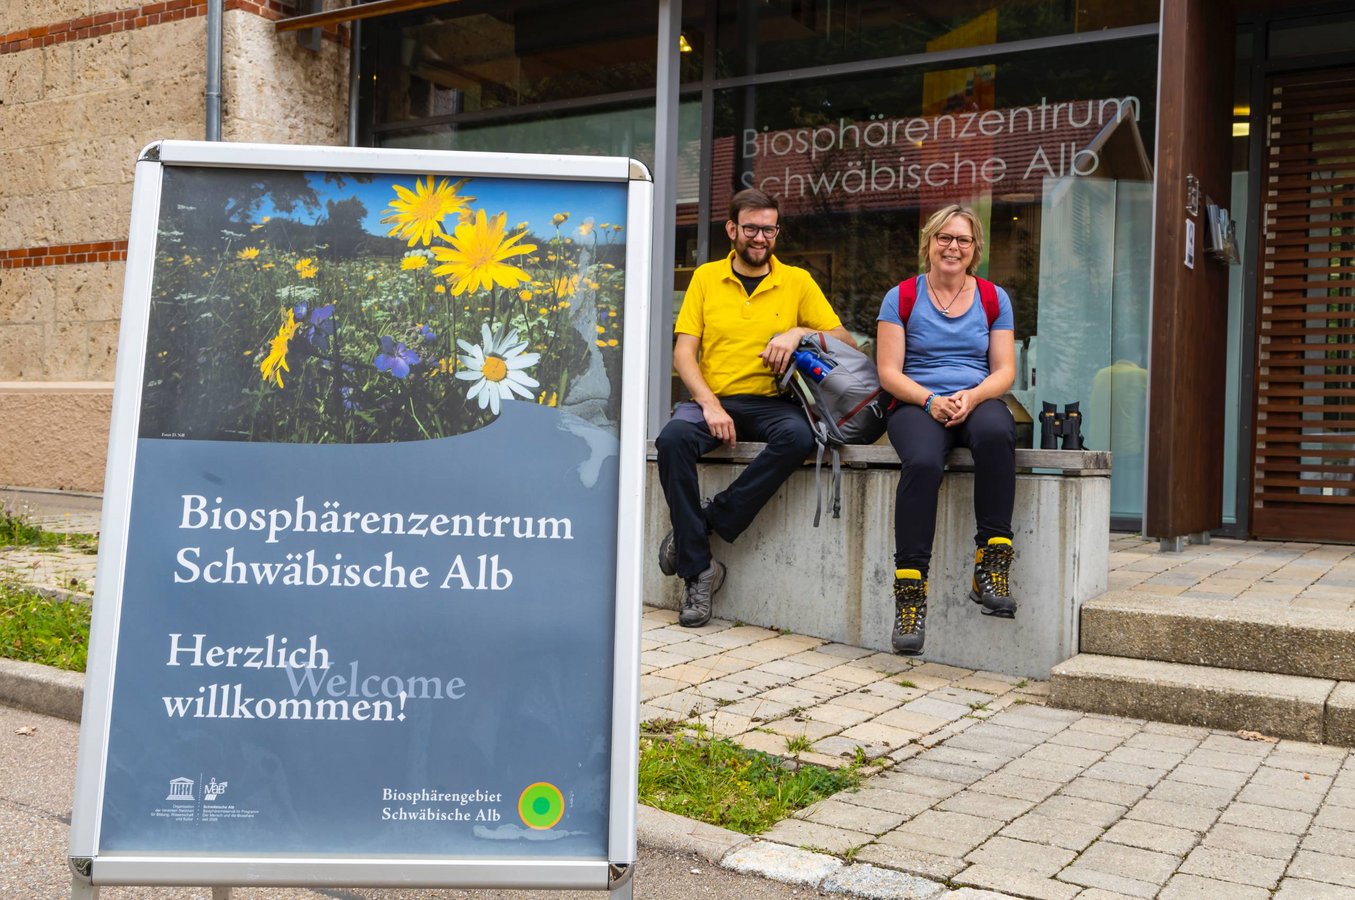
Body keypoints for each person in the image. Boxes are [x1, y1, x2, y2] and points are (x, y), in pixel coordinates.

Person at [656, 188, 857, 628]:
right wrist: (710, 405)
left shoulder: (796, 281)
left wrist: (798, 333)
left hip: (772, 403)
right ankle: (699, 571)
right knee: (671, 440)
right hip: (713, 400)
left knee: (800, 437)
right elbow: (684, 353)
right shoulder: (706, 277)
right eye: (751, 228)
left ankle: (702, 525)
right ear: (732, 229)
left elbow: (845, 341)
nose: (761, 237)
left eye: (769, 229)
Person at [875, 204, 1017, 655]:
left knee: (997, 434)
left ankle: (991, 565)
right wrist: (930, 400)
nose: (953, 247)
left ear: (975, 249)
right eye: (944, 238)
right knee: (922, 463)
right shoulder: (901, 297)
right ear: (929, 243)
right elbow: (888, 372)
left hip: (976, 398)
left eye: (963, 240)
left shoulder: (994, 298)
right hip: (916, 402)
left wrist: (972, 397)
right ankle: (910, 597)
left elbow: (1004, 371)